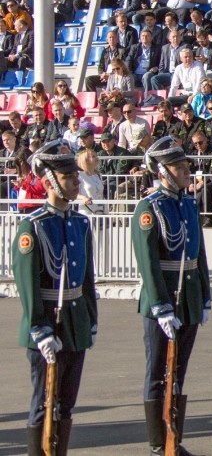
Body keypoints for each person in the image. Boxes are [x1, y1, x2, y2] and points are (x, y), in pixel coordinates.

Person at [12, 140, 98, 455]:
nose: (76, 181)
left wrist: (91, 319)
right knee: (44, 402)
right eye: (68, 177)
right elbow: (27, 284)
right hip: (46, 324)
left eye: (76, 175)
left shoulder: (80, 223)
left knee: (66, 403)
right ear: (49, 182)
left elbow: (87, 280)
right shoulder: (33, 227)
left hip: (74, 324)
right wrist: (39, 327)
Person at [131, 136, 211, 456]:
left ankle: (173, 439)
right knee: (157, 373)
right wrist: (161, 305)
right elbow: (148, 264)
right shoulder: (148, 209)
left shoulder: (189, 203)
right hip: (162, 302)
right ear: (162, 171)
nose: (186, 171)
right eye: (179, 167)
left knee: (178, 372)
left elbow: (199, 254)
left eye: (186, 165)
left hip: (188, 297)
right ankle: (156, 444)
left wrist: (204, 295)